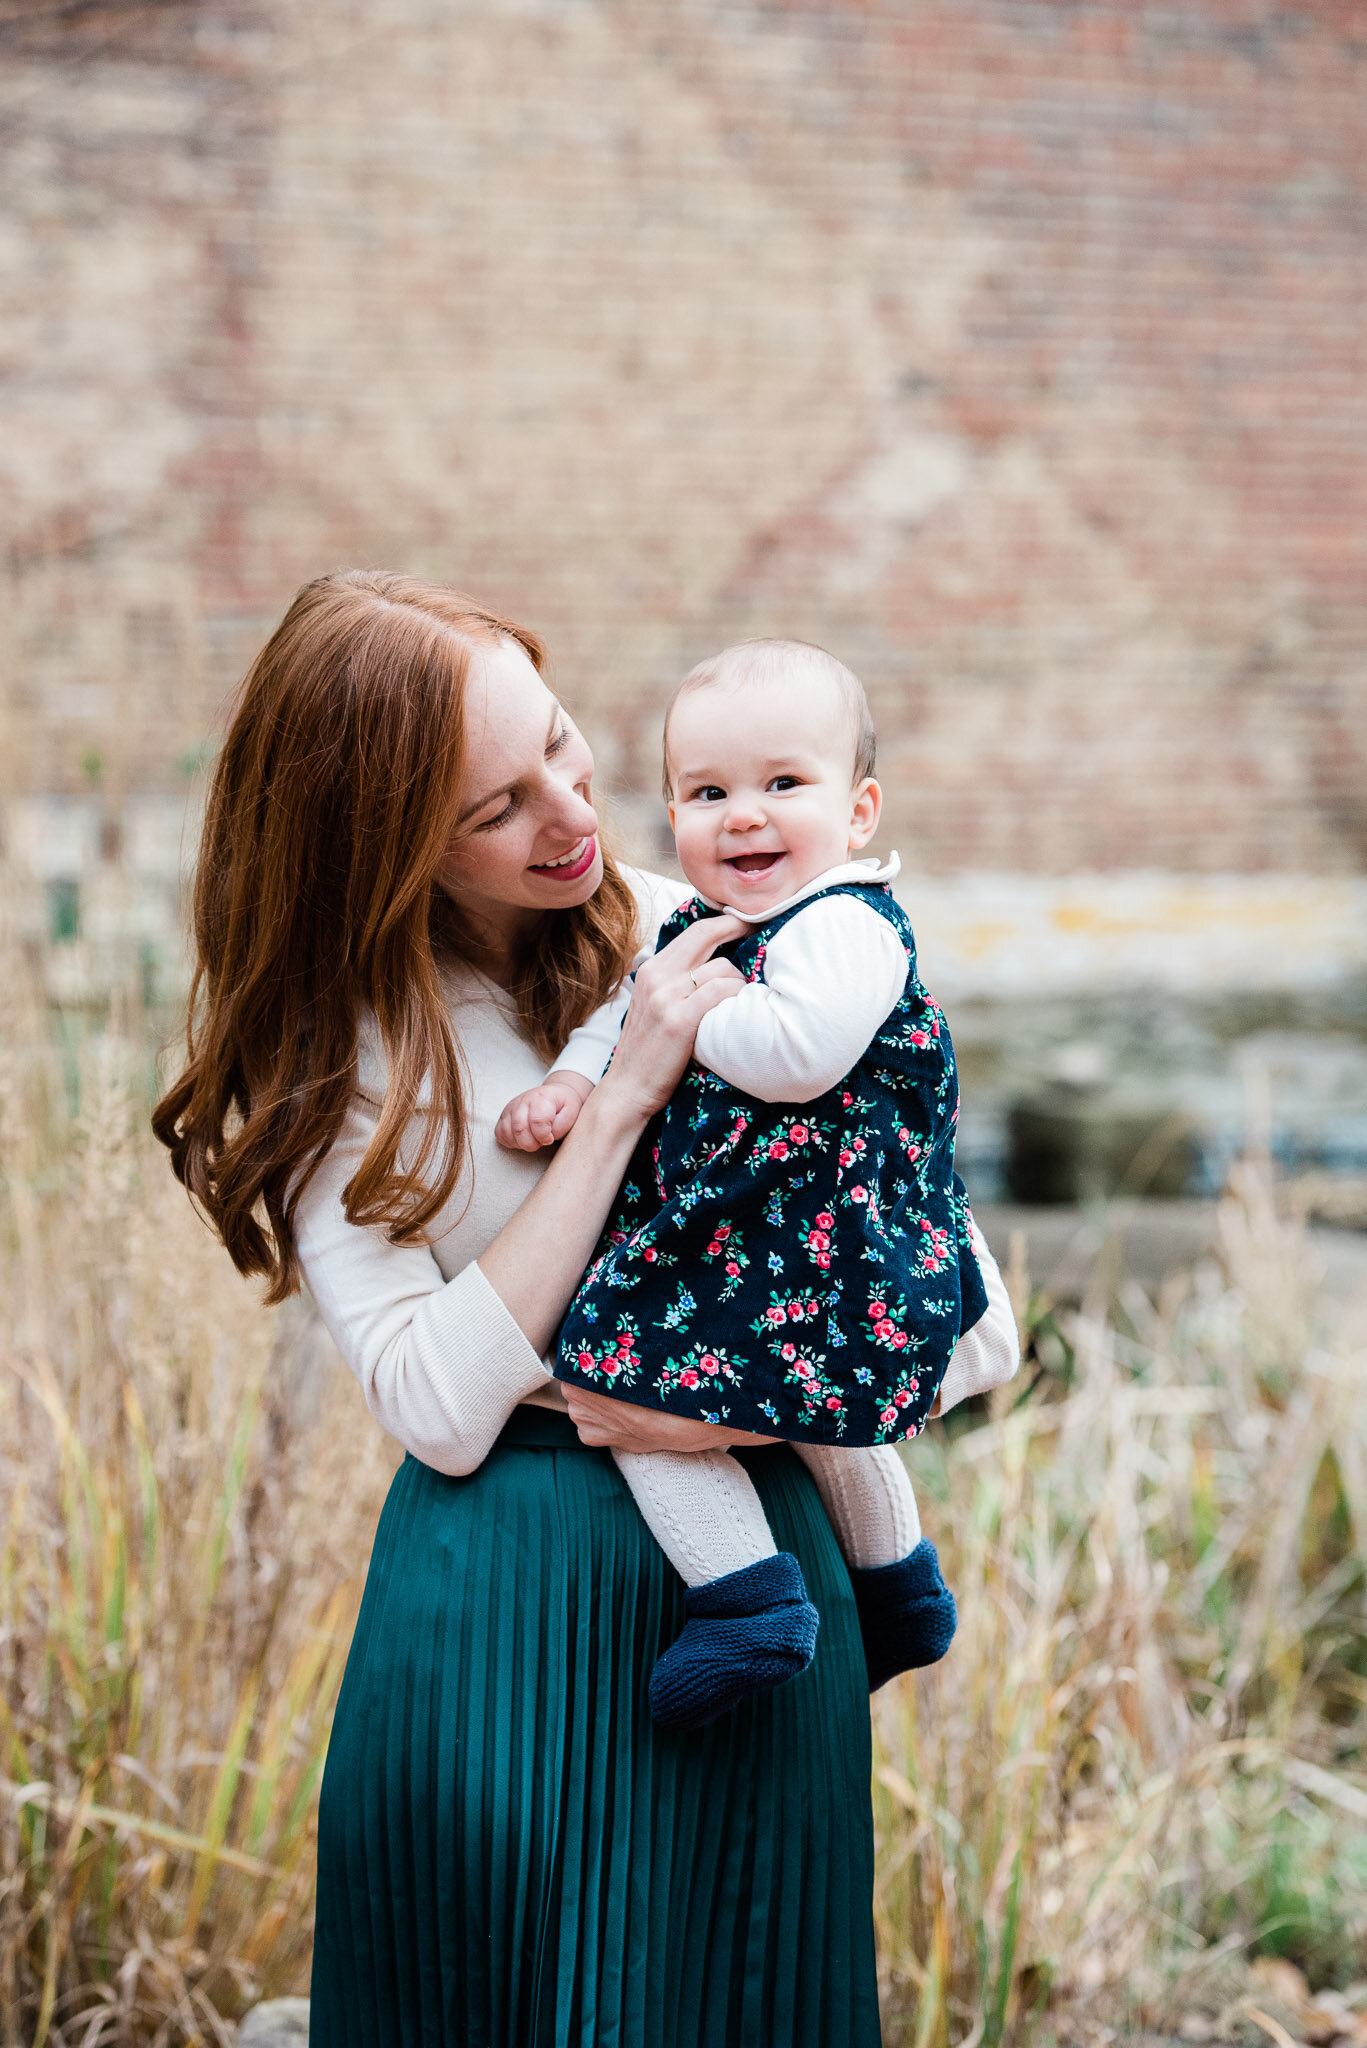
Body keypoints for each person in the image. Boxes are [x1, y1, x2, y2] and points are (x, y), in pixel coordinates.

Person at [150, 571, 1004, 2048]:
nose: (570, 817)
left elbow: (963, 1313)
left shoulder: (726, 924)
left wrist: (719, 1401)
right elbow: (433, 1407)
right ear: (379, 848)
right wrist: (616, 1108)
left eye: (560, 744)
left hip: (747, 1606)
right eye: (494, 808)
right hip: (494, 1618)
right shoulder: (335, 1068)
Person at [497, 640, 1019, 1733]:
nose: (742, 815)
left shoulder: (845, 924)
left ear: (858, 808)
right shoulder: (696, 932)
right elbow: (622, 1019)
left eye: (782, 784)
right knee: (775, 1400)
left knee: (624, 1379)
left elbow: (798, 1055)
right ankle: (896, 1585)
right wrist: (570, 1078)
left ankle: (746, 1597)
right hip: (759, 1238)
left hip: (824, 1240)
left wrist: (679, 1020)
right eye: (707, 791)